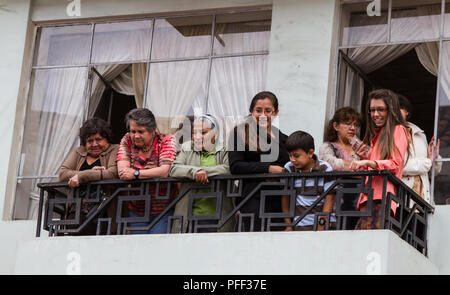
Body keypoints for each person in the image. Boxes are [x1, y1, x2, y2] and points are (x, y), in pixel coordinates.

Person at [228, 91, 290, 232]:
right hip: (254, 197)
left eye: (268, 111)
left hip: (281, 199)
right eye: (258, 110)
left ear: (275, 112)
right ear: (251, 111)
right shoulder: (240, 133)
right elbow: (236, 166)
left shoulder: (283, 138)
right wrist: (268, 168)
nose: (263, 115)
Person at [349, 89, 410, 230]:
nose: (375, 114)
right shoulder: (377, 137)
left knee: (369, 245)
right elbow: (371, 169)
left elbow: (395, 164)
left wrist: (368, 162)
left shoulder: (398, 130)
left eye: (381, 109)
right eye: (372, 110)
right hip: (368, 197)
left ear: (391, 110)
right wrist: (363, 159)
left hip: (381, 198)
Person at [169, 114, 235, 233]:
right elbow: (174, 169)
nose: (197, 137)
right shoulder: (187, 147)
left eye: (203, 132)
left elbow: (229, 168)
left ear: (215, 133)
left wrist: (204, 172)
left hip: (219, 215)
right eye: (195, 133)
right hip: (189, 216)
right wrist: (195, 171)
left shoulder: (225, 149)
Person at [117, 108, 177, 234]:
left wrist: (136, 173)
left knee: (157, 247)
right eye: (133, 131)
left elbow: (164, 171)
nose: (136, 136)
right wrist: (149, 172)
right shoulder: (127, 140)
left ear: (152, 131)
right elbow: (123, 171)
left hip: (163, 209)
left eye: (141, 131)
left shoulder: (166, 140)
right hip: (136, 208)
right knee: (138, 248)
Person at [58, 117, 119, 235]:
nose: (94, 144)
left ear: (107, 139)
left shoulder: (114, 150)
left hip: (103, 213)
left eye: (99, 139)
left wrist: (81, 177)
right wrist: (94, 173)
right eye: (90, 141)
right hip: (76, 212)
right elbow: (63, 174)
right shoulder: (79, 152)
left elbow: (112, 173)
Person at [282, 131, 336, 231]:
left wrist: (322, 223)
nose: (292, 160)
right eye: (290, 156)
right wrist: (288, 224)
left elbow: (330, 198)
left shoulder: (324, 168)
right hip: (300, 224)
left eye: (296, 156)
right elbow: (286, 197)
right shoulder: (289, 168)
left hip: (324, 225)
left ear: (310, 153)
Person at [319, 107, 362, 229]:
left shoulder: (360, 149)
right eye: (348, 123)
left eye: (355, 124)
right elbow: (331, 164)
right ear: (336, 126)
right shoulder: (328, 146)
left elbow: (374, 164)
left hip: (360, 202)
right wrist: (359, 167)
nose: (353, 128)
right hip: (335, 202)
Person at [398, 94, 441, 204]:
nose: (395, 111)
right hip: (401, 199)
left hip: (423, 200)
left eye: (399, 107)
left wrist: (435, 158)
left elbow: (431, 173)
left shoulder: (419, 133)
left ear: (407, 111)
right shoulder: (388, 134)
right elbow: (399, 166)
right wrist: (427, 162)